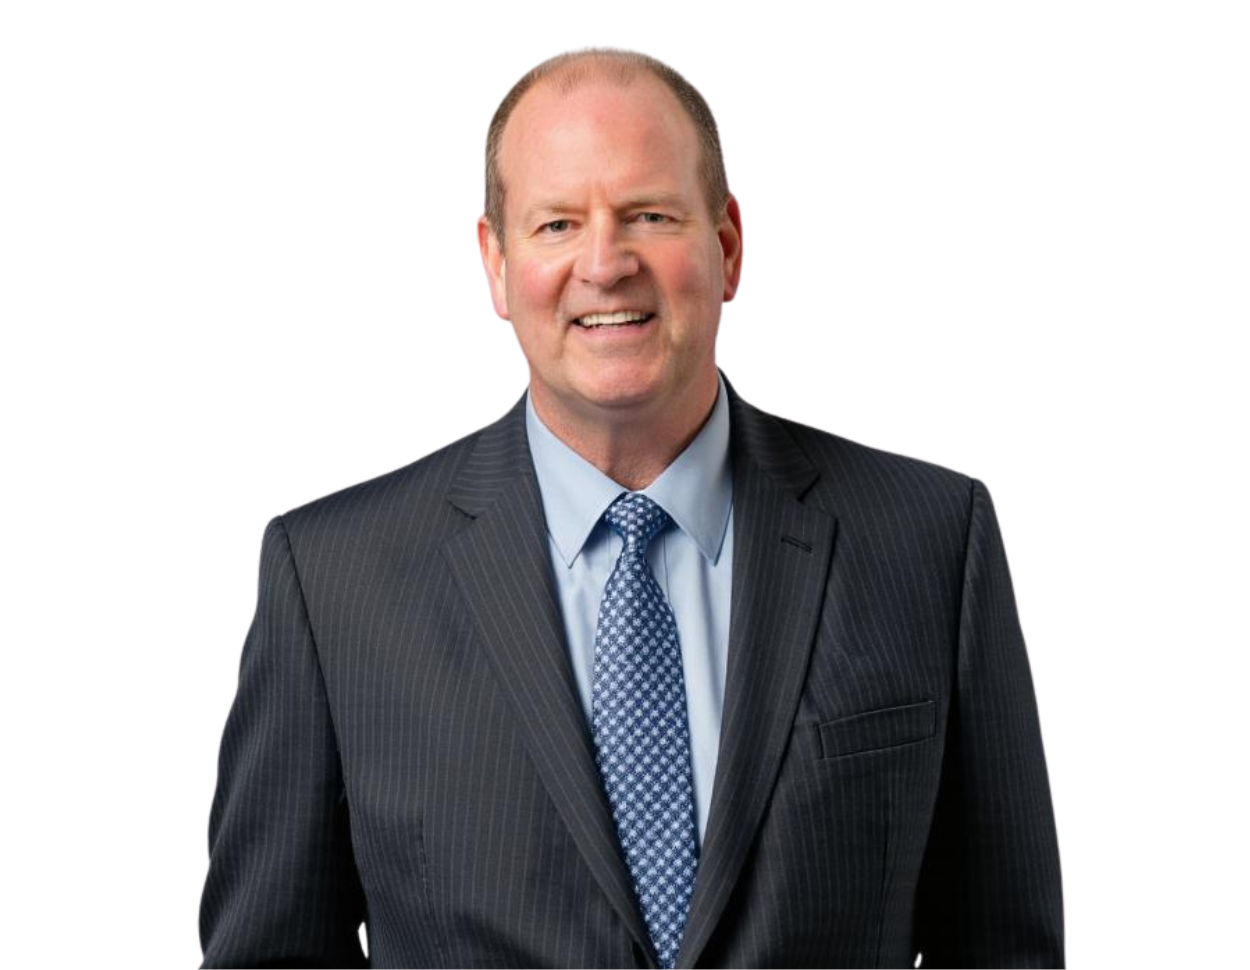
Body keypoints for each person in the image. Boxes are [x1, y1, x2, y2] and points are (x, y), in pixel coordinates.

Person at [198, 45, 1065, 969]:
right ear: (494, 264)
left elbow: (1007, 947)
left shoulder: (934, 537)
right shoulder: (330, 577)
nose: (605, 265)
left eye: (649, 215)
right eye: (558, 224)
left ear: (727, 246)